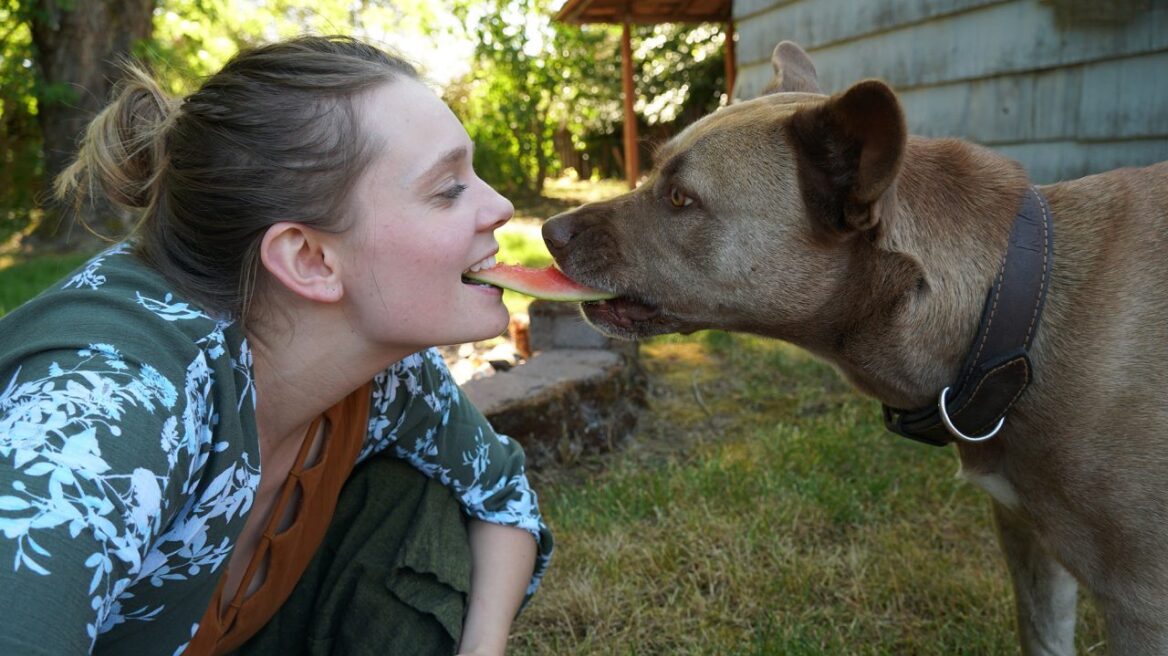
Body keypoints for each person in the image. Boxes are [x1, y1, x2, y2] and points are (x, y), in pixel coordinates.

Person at [0, 35, 552, 656]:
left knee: (415, 494)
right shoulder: (105, 415)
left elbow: (503, 499)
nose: (501, 206)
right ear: (309, 258)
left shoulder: (389, 375)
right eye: (448, 189)